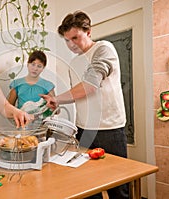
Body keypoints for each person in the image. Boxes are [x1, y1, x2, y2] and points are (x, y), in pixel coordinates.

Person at [41, 11, 128, 199]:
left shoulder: (104, 49)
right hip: (83, 129)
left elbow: (90, 85)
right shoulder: (74, 62)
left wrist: (59, 98)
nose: (71, 44)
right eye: (67, 40)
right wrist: (57, 105)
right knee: (88, 185)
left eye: (75, 37)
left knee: (118, 188)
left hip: (109, 129)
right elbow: (78, 94)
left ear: (88, 32)